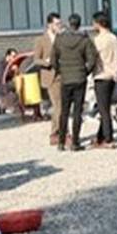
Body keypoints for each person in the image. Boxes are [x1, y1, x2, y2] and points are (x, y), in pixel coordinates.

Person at [52, 14, 97, 152]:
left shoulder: (59, 39)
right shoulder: (84, 39)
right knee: (77, 111)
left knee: (64, 111)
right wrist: (85, 72)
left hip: (65, 79)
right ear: (79, 24)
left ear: (69, 23)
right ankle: (75, 142)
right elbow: (92, 59)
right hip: (79, 78)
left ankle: (61, 142)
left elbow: (53, 59)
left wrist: (60, 71)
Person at [31, 13, 65, 146]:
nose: (59, 26)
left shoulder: (62, 38)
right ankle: (57, 132)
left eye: (60, 23)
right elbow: (36, 59)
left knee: (62, 105)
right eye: (57, 24)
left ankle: (59, 131)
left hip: (63, 75)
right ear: (49, 25)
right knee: (58, 105)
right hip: (50, 76)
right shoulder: (41, 40)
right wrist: (47, 62)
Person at [90, 12, 117, 149]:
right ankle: (100, 137)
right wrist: (116, 72)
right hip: (112, 75)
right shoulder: (113, 38)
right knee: (106, 107)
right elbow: (116, 56)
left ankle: (108, 138)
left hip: (101, 75)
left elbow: (93, 57)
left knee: (103, 110)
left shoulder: (98, 40)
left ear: (98, 23)